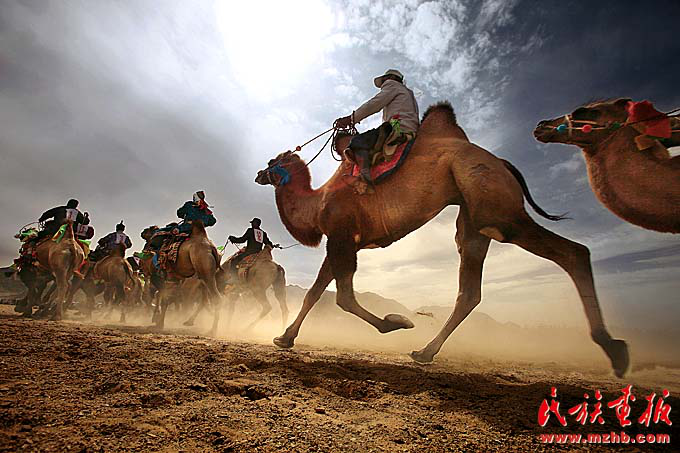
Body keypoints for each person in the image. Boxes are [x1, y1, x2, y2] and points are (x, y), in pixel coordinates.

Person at [335, 69, 419, 183]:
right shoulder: (408, 93)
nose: (383, 83)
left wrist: (351, 119)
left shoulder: (393, 85)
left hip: (397, 126)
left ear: (392, 78)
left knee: (357, 142)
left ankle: (364, 179)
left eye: (384, 79)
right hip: (411, 128)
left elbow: (374, 104)